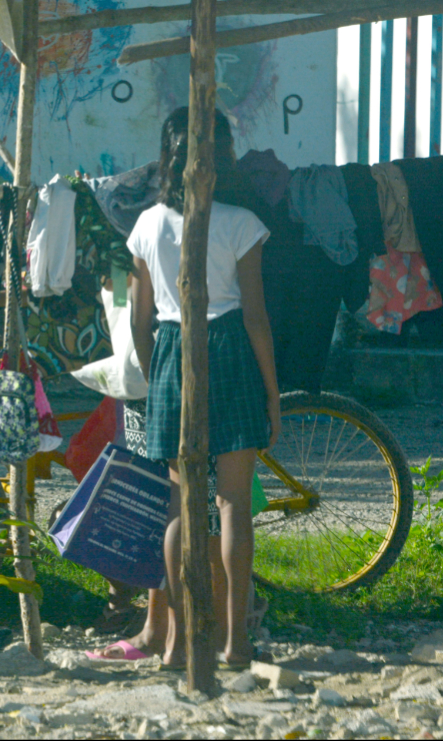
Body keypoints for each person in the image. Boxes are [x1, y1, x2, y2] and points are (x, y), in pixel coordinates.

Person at [126, 106, 280, 669]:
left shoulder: (146, 224)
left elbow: (139, 323)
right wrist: (270, 392)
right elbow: (257, 318)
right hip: (231, 350)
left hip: (171, 352)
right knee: (233, 504)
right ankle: (236, 642)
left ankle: (175, 642)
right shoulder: (242, 224)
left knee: (179, 506)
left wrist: (159, 373)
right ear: (223, 154)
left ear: (168, 155)